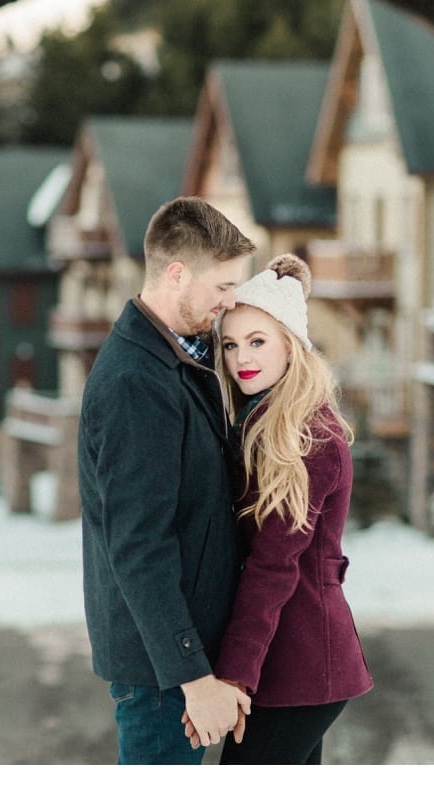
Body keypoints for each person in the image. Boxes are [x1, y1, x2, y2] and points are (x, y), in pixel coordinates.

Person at [78, 196, 258, 764]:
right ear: (176, 273)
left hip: (182, 661)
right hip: (164, 676)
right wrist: (192, 677)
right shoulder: (136, 381)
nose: (230, 303)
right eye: (223, 286)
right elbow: (138, 545)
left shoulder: (178, 352)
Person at [186, 253, 374, 764]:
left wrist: (233, 674)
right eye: (230, 344)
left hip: (304, 663)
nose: (241, 357)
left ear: (291, 345)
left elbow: (274, 565)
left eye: (257, 341)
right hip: (287, 663)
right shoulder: (258, 421)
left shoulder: (309, 438)